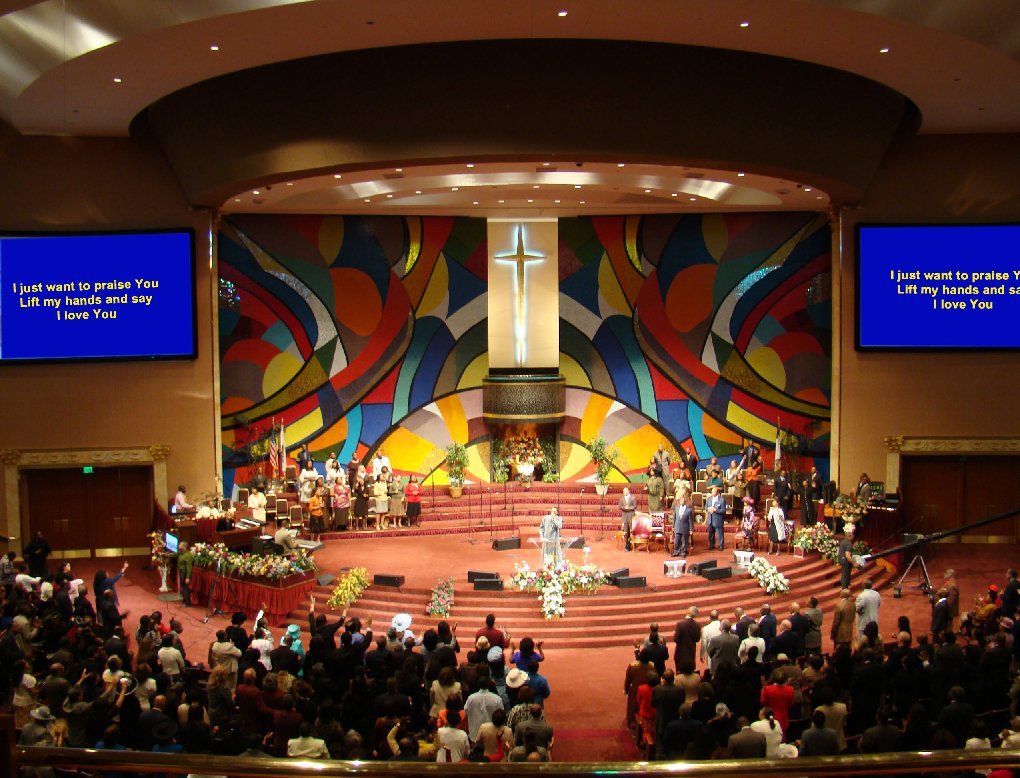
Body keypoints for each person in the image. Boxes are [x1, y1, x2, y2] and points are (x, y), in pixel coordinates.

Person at [671, 491, 693, 557]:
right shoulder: (676, 508)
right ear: (679, 502)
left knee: (684, 541)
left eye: (683, 501)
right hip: (677, 527)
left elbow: (690, 521)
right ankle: (676, 552)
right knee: (676, 541)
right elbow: (674, 518)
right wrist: (673, 527)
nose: (681, 502)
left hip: (685, 528)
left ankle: (683, 552)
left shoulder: (689, 510)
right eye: (681, 501)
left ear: (685, 502)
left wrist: (691, 529)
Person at [705, 486, 726, 551]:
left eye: (713, 492)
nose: (712, 493)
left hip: (718, 519)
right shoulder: (709, 499)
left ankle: (721, 545)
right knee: (711, 533)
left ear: (717, 492)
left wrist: (715, 510)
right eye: (712, 492)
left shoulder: (722, 500)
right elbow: (706, 507)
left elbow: (723, 510)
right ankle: (712, 545)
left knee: (720, 534)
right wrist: (708, 509)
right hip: (710, 519)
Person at [176, 541, 194, 607]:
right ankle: (184, 601)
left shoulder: (188, 555)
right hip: (181, 572)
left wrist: (187, 577)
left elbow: (189, 567)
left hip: (185, 573)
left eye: (180, 544)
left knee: (185, 588)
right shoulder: (181, 553)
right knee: (183, 588)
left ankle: (187, 602)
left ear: (184, 547)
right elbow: (174, 555)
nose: (179, 545)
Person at [620, 487, 637, 552]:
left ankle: (632, 543)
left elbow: (635, 506)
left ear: (628, 491)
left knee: (632, 530)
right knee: (626, 531)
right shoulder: (622, 498)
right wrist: (624, 507)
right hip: (624, 516)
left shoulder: (633, 498)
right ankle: (627, 544)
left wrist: (628, 508)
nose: (624, 492)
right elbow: (620, 506)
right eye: (623, 491)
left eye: (625, 491)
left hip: (631, 515)